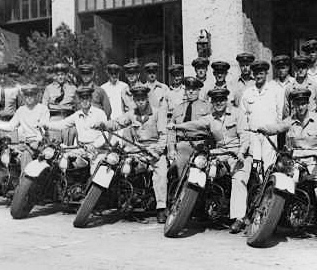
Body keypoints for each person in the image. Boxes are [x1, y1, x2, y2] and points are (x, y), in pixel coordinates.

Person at [169, 88, 251, 233]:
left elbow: (244, 135)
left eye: (222, 99)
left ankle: (239, 218)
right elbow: (195, 124)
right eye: (215, 100)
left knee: (238, 179)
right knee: (198, 165)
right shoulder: (210, 118)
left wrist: (242, 152)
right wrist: (177, 126)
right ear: (212, 102)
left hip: (237, 152)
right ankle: (192, 207)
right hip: (218, 152)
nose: (219, 103)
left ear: (226, 100)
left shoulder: (238, 114)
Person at [259, 89, 317, 240]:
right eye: (297, 104)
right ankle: (274, 218)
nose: (300, 107)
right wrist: (262, 129)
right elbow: (277, 128)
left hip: (314, 161)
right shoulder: (290, 120)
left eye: (303, 103)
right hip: (294, 161)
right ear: (293, 105)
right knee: (284, 183)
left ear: (308, 104)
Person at [97, 85, 170, 224]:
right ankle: (120, 200)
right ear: (134, 100)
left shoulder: (157, 112)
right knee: (119, 164)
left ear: (147, 99)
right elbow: (117, 123)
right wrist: (103, 125)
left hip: (154, 149)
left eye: (143, 99)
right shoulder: (131, 114)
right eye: (137, 99)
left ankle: (161, 208)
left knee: (160, 173)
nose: (140, 102)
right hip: (137, 149)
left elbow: (163, 136)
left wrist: (157, 151)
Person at [0, 84, 49, 174]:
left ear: (36, 96)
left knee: (26, 156)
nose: (29, 98)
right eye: (27, 95)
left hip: (37, 144)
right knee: (3, 151)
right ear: (24, 96)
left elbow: (43, 127)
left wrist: (38, 139)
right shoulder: (21, 110)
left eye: (32, 95)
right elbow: (11, 126)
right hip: (23, 143)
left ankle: (23, 182)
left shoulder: (43, 109)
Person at [240, 60, 284, 169]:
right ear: (253, 75)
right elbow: (243, 116)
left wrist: (274, 131)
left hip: (269, 136)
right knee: (255, 167)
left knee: (269, 166)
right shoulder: (248, 93)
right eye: (256, 74)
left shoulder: (275, 91)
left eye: (261, 73)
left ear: (266, 74)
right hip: (253, 135)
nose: (258, 76)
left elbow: (280, 115)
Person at [169, 77, 211, 178]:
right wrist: (171, 149)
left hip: (200, 145)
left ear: (198, 90)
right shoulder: (178, 108)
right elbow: (171, 130)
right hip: (182, 146)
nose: (191, 92)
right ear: (185, 90)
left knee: (199, 178)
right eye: (188, 89)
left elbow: (211, 127)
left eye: (194, 89)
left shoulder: (207, 107)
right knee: (181, 177)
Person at [42, 63, 77, 144]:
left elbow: (77, 107)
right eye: (58, 75)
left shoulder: (73, 88)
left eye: (63, 74)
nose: (60, 77)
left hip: (68, 120)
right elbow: (44, 108)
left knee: (69, 149)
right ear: (55, 76)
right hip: (54, 119)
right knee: (53, 148)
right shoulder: (49, 88)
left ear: (66, 75)